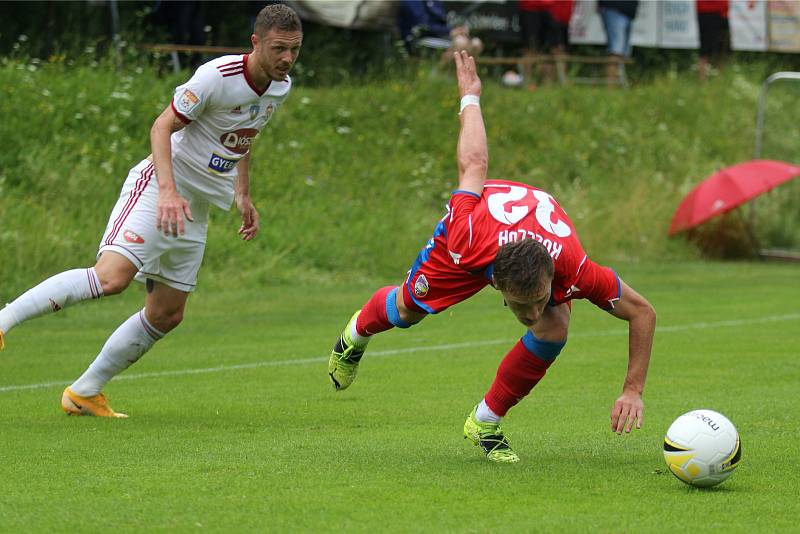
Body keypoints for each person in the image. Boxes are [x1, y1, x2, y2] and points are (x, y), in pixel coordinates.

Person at [328, 50, 656, 463]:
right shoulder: (466, 239)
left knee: (555, 327)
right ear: (496, 284)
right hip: (477, 230)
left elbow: (642, 312)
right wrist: (470, 97)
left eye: (538, 299)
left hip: (536, 230)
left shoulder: (573, 267)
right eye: (523, 306)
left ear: (552, 278)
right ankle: (355, 334)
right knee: (408, 310)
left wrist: (632, 389)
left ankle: (485, 421)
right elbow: (474, 164)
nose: (532, 312)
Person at [0, 4, 303, 417]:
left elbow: (244, 137)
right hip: (159, 191)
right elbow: (162, 126)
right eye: (279, 48)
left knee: (167, 313)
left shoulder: (280, 86)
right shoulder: (217, 77)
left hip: (194, 207)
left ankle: (85, 392)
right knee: (111, 278)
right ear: (256, 42)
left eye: (295, 49)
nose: (287, 58)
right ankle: (3, 321)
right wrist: (166, 191)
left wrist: (242, 194)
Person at [397, 0, 482, 66]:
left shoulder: (435, 1)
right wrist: (450, 31)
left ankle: (463, 78)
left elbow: (442, 22)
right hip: (417, 38)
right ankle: (437, 75)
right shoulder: (412, 1)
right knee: (461, 43)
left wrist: (458, 30)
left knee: (476, 44)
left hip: (438, 35)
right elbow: (423, 26)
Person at [598, 0, 638, 86]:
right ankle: (611, 87)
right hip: (614, 8)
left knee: (622, 53)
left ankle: (618, 85)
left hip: (627, 12)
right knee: (615, 51)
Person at [695, 0, 729, 82]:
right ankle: (702, 80)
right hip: (706, 11)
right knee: (705, 48)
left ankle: (720, 80)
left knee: (722, 48)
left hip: (722, 12)